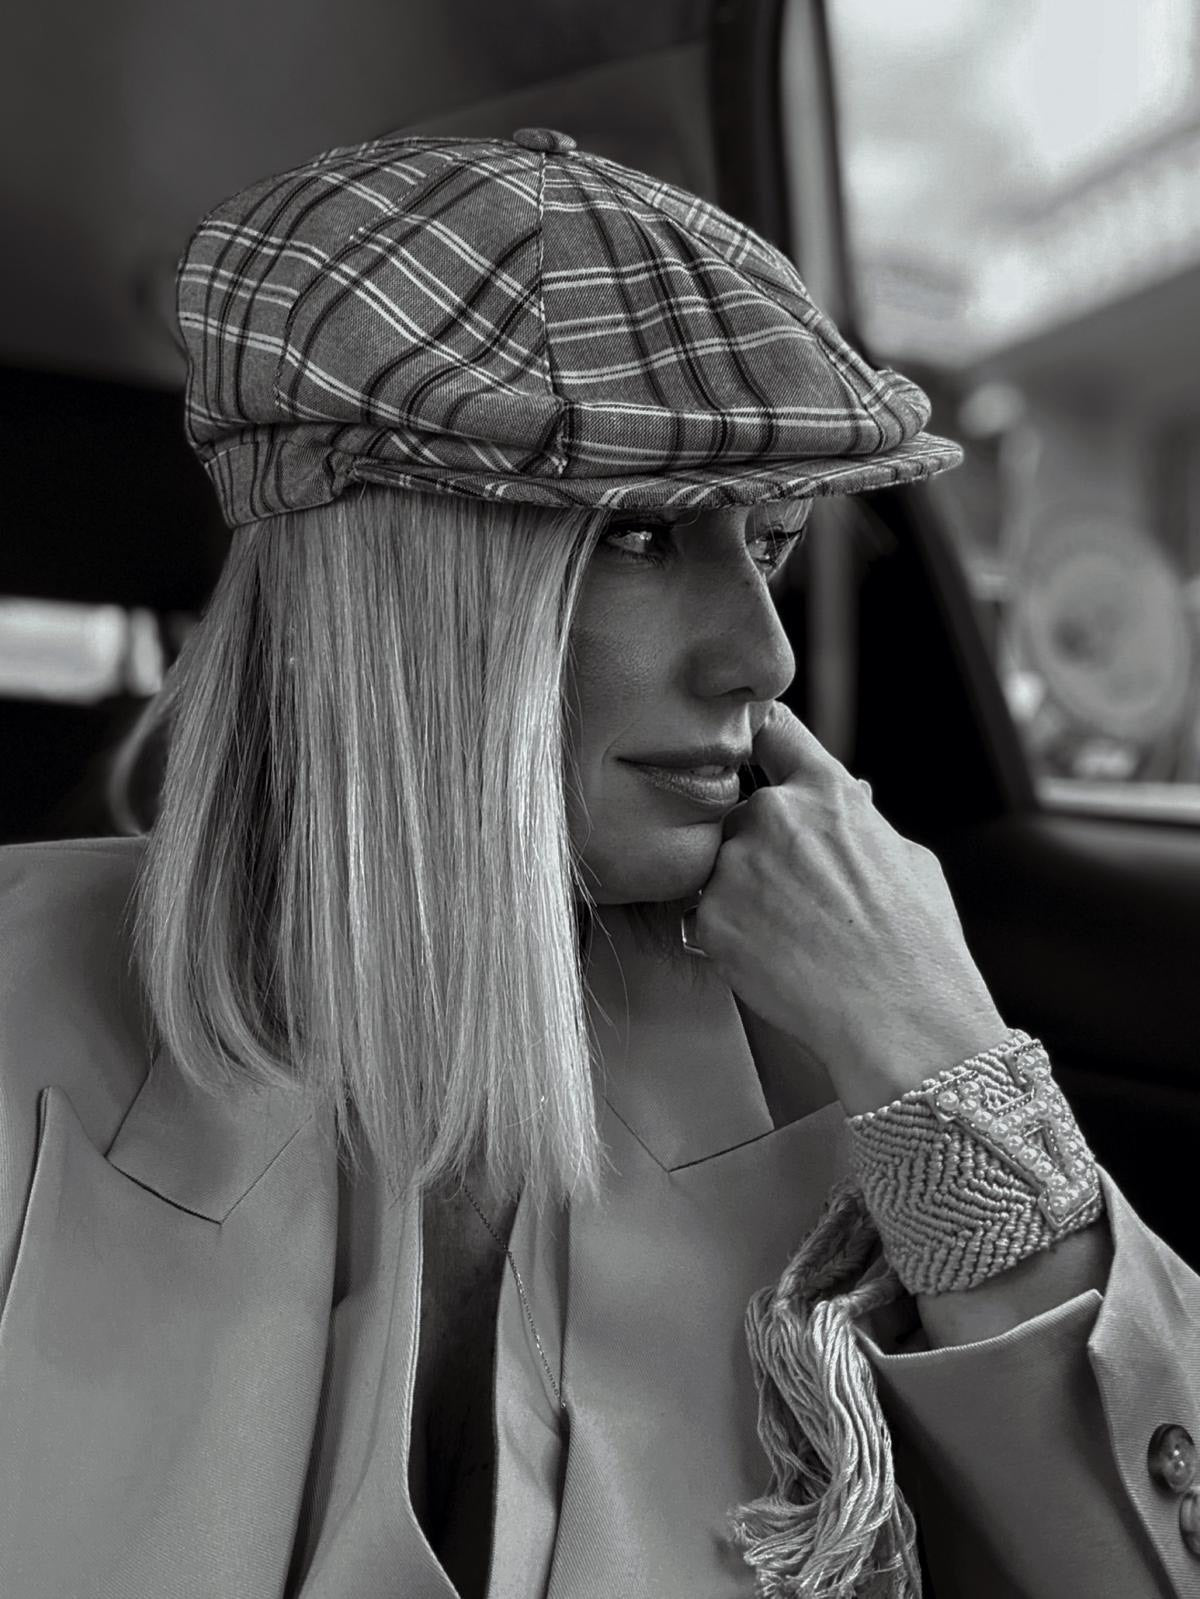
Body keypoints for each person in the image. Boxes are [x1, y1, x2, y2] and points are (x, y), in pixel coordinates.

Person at [0, 126, 1197, 1599]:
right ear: (382, 583)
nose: (762, 655)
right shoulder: (18, 998)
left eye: (769, 543)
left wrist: (942, 1050)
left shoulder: (834, 1048)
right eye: (639, 535)